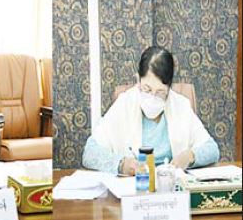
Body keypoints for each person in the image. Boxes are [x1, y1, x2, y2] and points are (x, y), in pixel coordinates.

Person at [82, 46, 219, 175]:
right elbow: (90, 153)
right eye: (147, 89)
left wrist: (189, 156)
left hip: (170, 184)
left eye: (160, 92)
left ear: (169, 88)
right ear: (138, 80)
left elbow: (212, 148)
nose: (153, 97)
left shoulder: (180, 106)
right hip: (134, 184)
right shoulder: (124, 104)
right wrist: (122, 164)